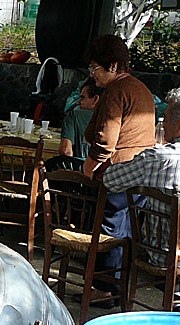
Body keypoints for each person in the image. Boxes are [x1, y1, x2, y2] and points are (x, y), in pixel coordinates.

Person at [81, 34, 155, 305]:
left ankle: (103, 290)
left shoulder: (116, 91)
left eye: (95, 68)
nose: (93, 74)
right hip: (142, 171)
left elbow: (105, 140)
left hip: (118, 171)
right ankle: (118, 289)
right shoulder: (141, 89)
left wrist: (91, 164)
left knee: (108, 230)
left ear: (113, 66)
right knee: (126, 232)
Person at [100, 88, 180, 305]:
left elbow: (110, 179)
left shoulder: (158, 159)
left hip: (164, 257)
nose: (163, 125)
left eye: (166, 120)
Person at [59, 78, 102, 159]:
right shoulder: (117, 120)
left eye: (82, 98)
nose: (78, 102)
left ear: (95, 99)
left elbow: (65, 151)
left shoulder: (73, 116)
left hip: (78, 168)